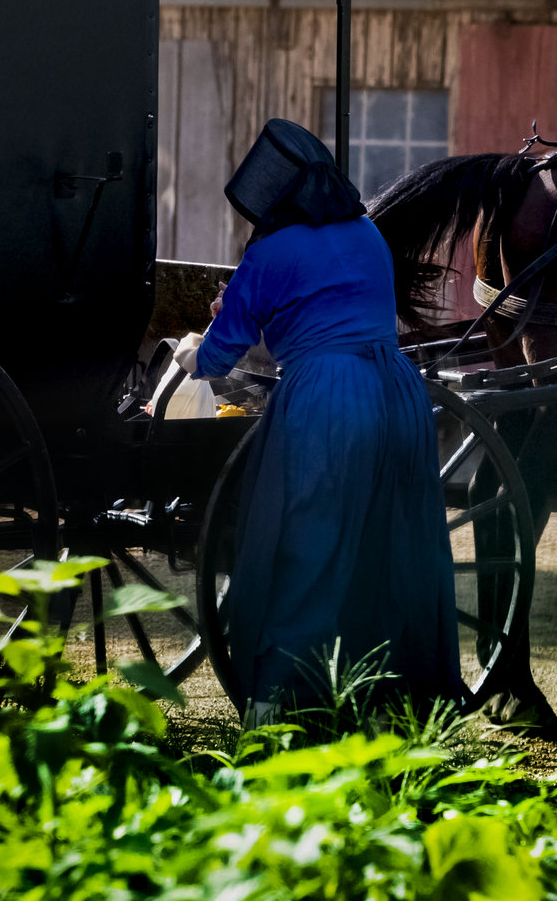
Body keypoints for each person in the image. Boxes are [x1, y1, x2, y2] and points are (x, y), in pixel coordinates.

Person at [172, 119, 461, 719]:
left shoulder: (269, 251)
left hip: (330, 400)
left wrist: (188, 352)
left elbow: (222, 353)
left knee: (303, 543)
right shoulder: (369, 236)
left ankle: (279, 700)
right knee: (390, 544)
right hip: (399, 393)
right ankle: (390, 699)